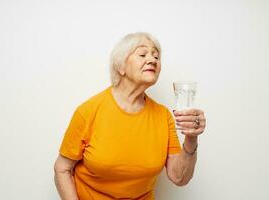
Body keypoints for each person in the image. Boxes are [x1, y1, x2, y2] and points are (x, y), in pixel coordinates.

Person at [54, 32, 206, 200]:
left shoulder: (163, 116)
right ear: (121, 67)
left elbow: (179, 177)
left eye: (156, 56)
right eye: (142, 54)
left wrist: (191, 138)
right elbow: (62, 169)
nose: (153, 60)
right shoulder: (89, 111)